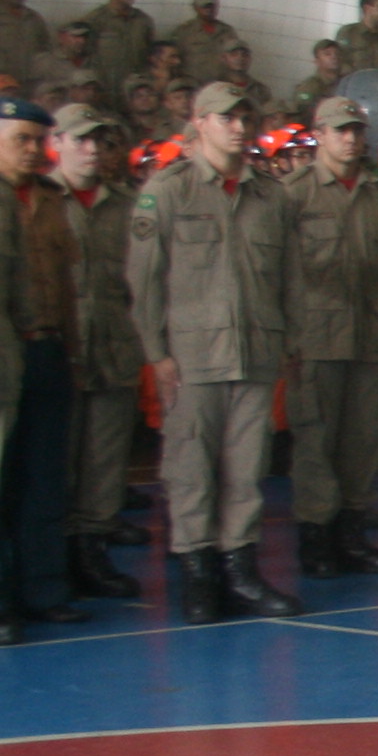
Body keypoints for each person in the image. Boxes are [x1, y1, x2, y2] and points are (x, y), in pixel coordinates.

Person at [128, 82, 303, 623]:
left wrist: (290, 343)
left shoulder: (271, 195)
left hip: (255, 351)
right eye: (226, 117)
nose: (238, 127)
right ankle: (198, 573)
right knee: (191, 469)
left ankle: (240, 571)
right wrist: (157, 354)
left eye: (244, 117)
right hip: (192, 356)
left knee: (247, 471)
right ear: (199, 121)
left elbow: (290, 277)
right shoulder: (169, 191)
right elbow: (145, 281)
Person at [278, 97, 378, 580]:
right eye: (340, 130)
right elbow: (280, 271)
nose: (350, 139)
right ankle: (316, 537)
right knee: (316, 441)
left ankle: (351, 534)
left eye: (357, 130)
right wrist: (287, 336)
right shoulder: (294, 194)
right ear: (319, 135)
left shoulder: (377, 195)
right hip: (316, 336)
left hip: (368, 332)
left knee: (363, 440)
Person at [0, 98, 87, 638]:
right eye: (21, 139)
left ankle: (44, 590)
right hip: (4, 354)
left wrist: (70, 352)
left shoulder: (51, 199)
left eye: (40, 140)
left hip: (48, 349)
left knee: (46, 478)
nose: (34, 150)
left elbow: (66, 286)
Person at [50, 103, 143, 600]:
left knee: (105, 463)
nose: (92, 149)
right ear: (56, 143)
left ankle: (91, 552)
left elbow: (143, 283)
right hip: (58, 352)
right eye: (80, 139)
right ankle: (50, 561)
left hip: (113, 348)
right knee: (53, 464)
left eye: (99, 141)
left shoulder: (127, 206)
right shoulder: (39, 200)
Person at [75, 0, 152, 93]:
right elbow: (82, 54)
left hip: (136, 89)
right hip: (104, 87)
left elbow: (151, 55)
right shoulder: (95, 19)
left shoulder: (143, 20)